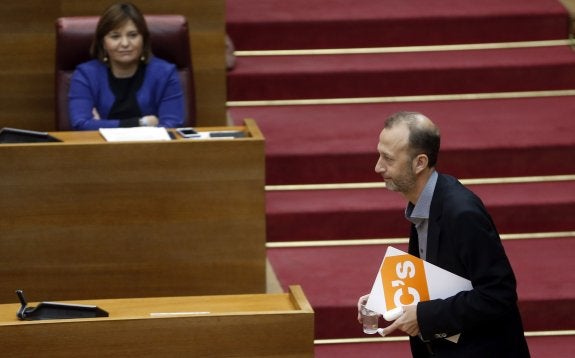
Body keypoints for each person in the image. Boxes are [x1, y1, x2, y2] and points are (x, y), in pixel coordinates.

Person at [358, 111, 530, 357]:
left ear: (419, 163)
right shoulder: (424, 202)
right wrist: (382, 298)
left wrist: (423, 317)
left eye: (388, 158)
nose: (378, 167)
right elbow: (435, 277)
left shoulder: (462, 213)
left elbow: (498, 294)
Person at [68, 2, 185, 130]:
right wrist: (142, 123)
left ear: (143, 39)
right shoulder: (85, 75)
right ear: (103, 43)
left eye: (133, 35)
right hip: (101, 149)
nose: (125, 43)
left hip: (153, 149)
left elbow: (172, 126)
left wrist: (100, 125)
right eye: (115, 36)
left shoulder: (165, 73)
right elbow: (81, 124)